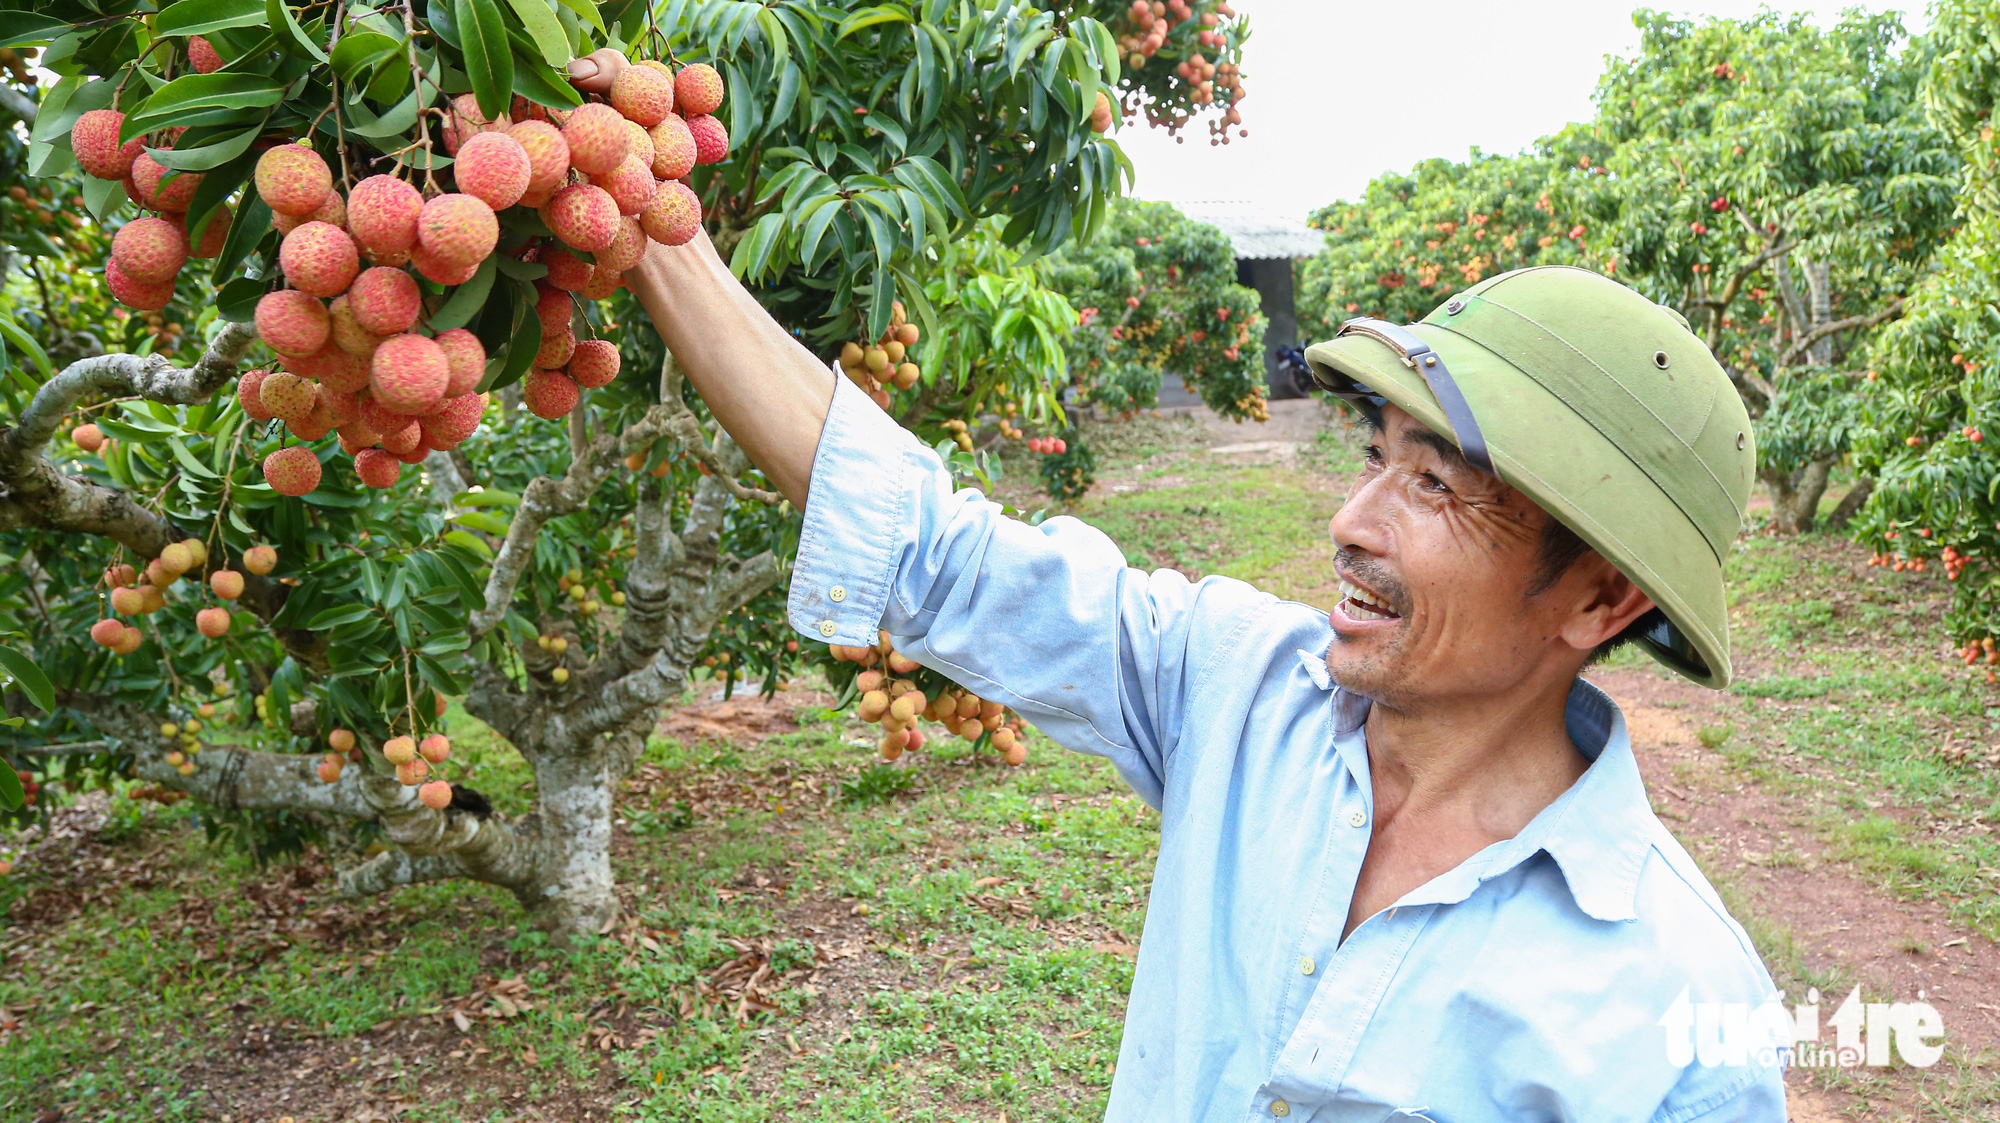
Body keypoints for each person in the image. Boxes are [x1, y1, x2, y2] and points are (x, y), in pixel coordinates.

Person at [573, 48, 1788, 1122]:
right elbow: (934, 550)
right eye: (1375, 460)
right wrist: (651, 228)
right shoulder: (1241, 686)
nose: (1349, 523)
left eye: (1435, 489)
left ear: (1597, 600)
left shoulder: (1672, 1010)